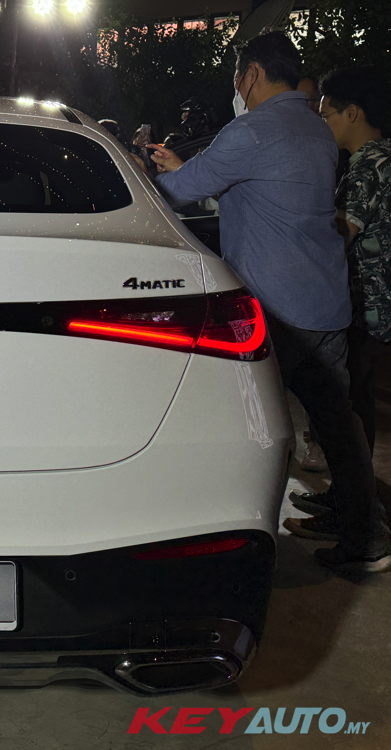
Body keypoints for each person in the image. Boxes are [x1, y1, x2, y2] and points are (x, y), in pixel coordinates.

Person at [144, 32, 390, 574]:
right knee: (338, 424)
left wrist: (160, 172)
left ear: (251, 73)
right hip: (324, 299)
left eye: (237, 76)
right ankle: (364, 531)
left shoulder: (251, 130)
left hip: (277, 309)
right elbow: (265, 189)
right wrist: (191, 170)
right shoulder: (314, 127)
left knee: (250, 424)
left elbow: (178, 192)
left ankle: (233, 538)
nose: (236, 86)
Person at [320, 67, 391, 456]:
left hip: (368, 306)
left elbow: (341, 232)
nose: (322, 125)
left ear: (351, 113)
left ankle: (355, 489)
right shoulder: (386, 156)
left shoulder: (367, 165)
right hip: (381, 305)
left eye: (325, 115)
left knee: (353, 402)